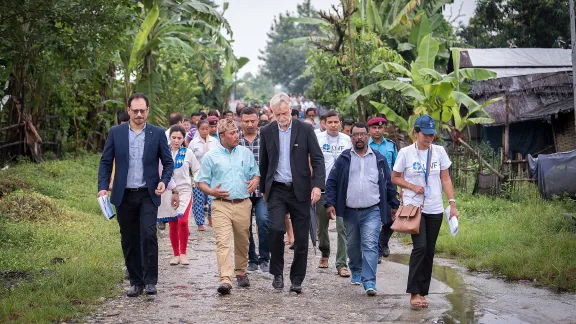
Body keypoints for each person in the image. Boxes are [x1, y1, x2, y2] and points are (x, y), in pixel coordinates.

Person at [97, 93, 174, 297]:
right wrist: (103, 186)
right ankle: (135, 281)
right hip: (124, 194)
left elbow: (168, 163)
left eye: (142, 110)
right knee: (129, 238)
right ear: (128, 110)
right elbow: (105, 162)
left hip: (148, 193)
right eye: (135, 110)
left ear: (147, 111)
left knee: (149, 234)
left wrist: (163, 181)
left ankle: (150, 281)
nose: (139, 114)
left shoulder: (157, 134)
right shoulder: (116, 133)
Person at [391, 114, 460, 308]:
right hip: (414, 207)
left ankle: (422, 291)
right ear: (416, 133)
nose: (429, 138)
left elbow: (445, 179)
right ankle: (413, 292)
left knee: (429, 250)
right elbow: (394, 177)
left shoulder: (439, 151)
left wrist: (452, 204)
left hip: (435, 208)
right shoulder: (405, 152)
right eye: (426, 135)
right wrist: (411, 186)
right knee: (420, 247)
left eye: (432, 135)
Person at [259, 92, 325, 294]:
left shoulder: (305, 129)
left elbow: (317, 159)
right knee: (276, 229)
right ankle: (277, 273)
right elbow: (264, 162)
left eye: (284, 112)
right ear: (272, 113)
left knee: (301, 238)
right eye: (277, 114)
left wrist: (317, 186)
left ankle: (297, 279)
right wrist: (264, 190)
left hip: (301, 189)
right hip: (277, 188)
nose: (282, 117)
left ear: (290, 108)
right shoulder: (267, 131)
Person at [324, 122, 399, 296]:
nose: (359, 137)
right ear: (351, 138)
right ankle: (356, 270)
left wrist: (394, 204)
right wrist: (329, 203)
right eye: (356, 135)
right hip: (349, 211)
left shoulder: (379, 159)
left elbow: (389, 183)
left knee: (370, 245)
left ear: (367, 136)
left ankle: (370, 281)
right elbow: (332, 182)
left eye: (362, 134)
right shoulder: (344, 158)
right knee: (352, 245)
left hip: (372, 210)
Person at [196, 119, 260, 295]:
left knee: (242, 240)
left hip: (243, 204)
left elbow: (256, 173)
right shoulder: (211, 156)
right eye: (232, 133)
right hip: (220, 205)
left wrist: (255, 181)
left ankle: (240, 271)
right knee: (222, 242)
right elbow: (201, 182)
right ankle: (225, 278)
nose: (236, 136)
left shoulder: (245, 153)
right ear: (222, 136)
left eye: (236, 132)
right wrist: (211, 192)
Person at [314, 110, 351, 277]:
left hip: (343, 189)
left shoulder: (347, 140)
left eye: (336, 122)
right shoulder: (318, 139)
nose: (334, 125)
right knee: (321, 226)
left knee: (342, 227)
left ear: (340, 123)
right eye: (330, 122)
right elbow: (311, 161)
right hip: (323, 187)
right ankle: (324, 252)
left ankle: (342, 263)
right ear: (324, 123)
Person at [158, 125, 200, 266]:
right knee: (173, 223)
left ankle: (183, 253)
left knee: (183, 221)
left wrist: (198, 182)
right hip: (168, 191)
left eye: (179, 138)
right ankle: (175, 254)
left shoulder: (188, 153)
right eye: (174, 137)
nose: (176, 140)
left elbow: (197, 169)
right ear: (169, 138)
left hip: (185, 191)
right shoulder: (163, 152)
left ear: (183, 139)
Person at [238, 107, 270, 273]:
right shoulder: (235, 140)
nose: (250, 124)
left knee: (263, 221)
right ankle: (252, 258)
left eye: (253, 121)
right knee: (245, 226)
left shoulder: (266, 138)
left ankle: (265, 257)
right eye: (246, 121)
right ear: (240, 121)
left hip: (262, 191)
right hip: (241, 191)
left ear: (258, 120)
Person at [367, 117, 399, 262]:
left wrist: (401, 188)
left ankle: (383, 241)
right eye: (374, 128)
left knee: (391, 219)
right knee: (371, 220)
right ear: (369, 130)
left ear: (384, 129)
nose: (377, 130)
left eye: (380, 127)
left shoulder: (391, 146)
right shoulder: (364, 145)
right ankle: (376, 251)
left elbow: (397, 168)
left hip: (388, 187)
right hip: (369, 186)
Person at [188, 120, 219, 231]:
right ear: (198, 129)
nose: (205, 131)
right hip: (198, 175)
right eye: (202, 129)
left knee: (212, 198)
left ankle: (211, 216)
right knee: (198, 200)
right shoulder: (193, 143)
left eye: (207, 129)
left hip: (212, 175)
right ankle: (200, 223)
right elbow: (189, 158)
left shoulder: (214, 141)